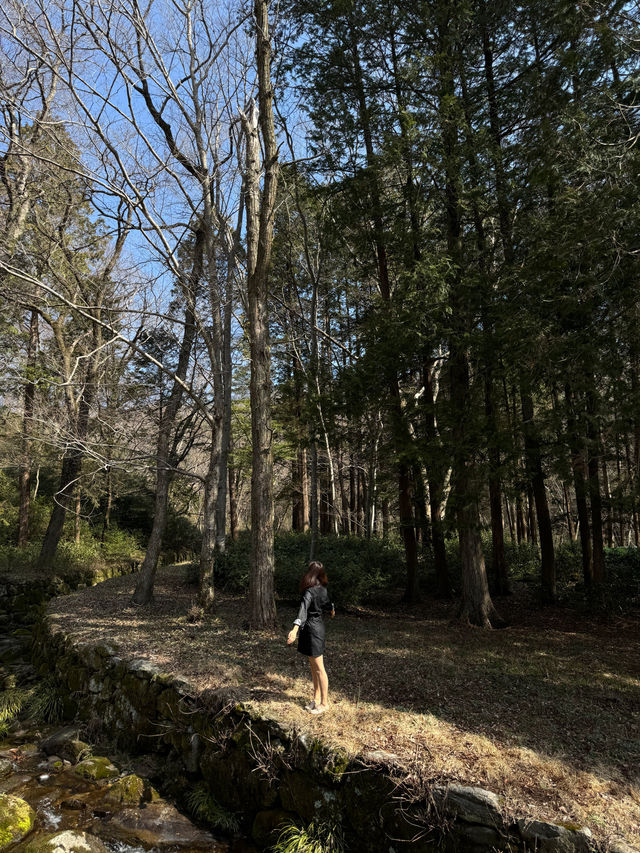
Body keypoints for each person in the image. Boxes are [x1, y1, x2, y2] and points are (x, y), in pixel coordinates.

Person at [287, 560, 335, 715]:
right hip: (312, 629)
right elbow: (328, 605)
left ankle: (324, 703)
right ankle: (316, 698)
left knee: (320, 668)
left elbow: (303, 610)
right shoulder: (322, 590)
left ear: (310, 573)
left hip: (313, 631)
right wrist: (332, 610)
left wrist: (294, 629)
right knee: (314, 668)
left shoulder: (310, 592)